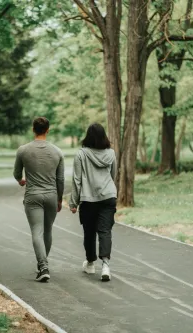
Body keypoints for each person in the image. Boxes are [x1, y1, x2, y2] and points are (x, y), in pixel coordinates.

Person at [13, 117, 65, 282]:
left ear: (33, 129)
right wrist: (59, 199)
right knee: (47, 230)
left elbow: (16, 173)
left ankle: (43, 266)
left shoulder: (23, 150)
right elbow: (61, 179)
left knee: (37, 231)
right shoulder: (57, 152)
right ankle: (43, 264)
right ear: (48, 130)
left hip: (33, 196)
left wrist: (21, 181)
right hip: (51, 195)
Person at [69, 123, 117, 282]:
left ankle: (90, 263)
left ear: (88, 137)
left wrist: (73, 202)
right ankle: (106, 265)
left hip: (88, 199)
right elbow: (113, 175)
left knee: (89, 232)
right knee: (105, 231)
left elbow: (76, 180)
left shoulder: (81, 154)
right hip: (108, 196)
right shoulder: (111, 154)